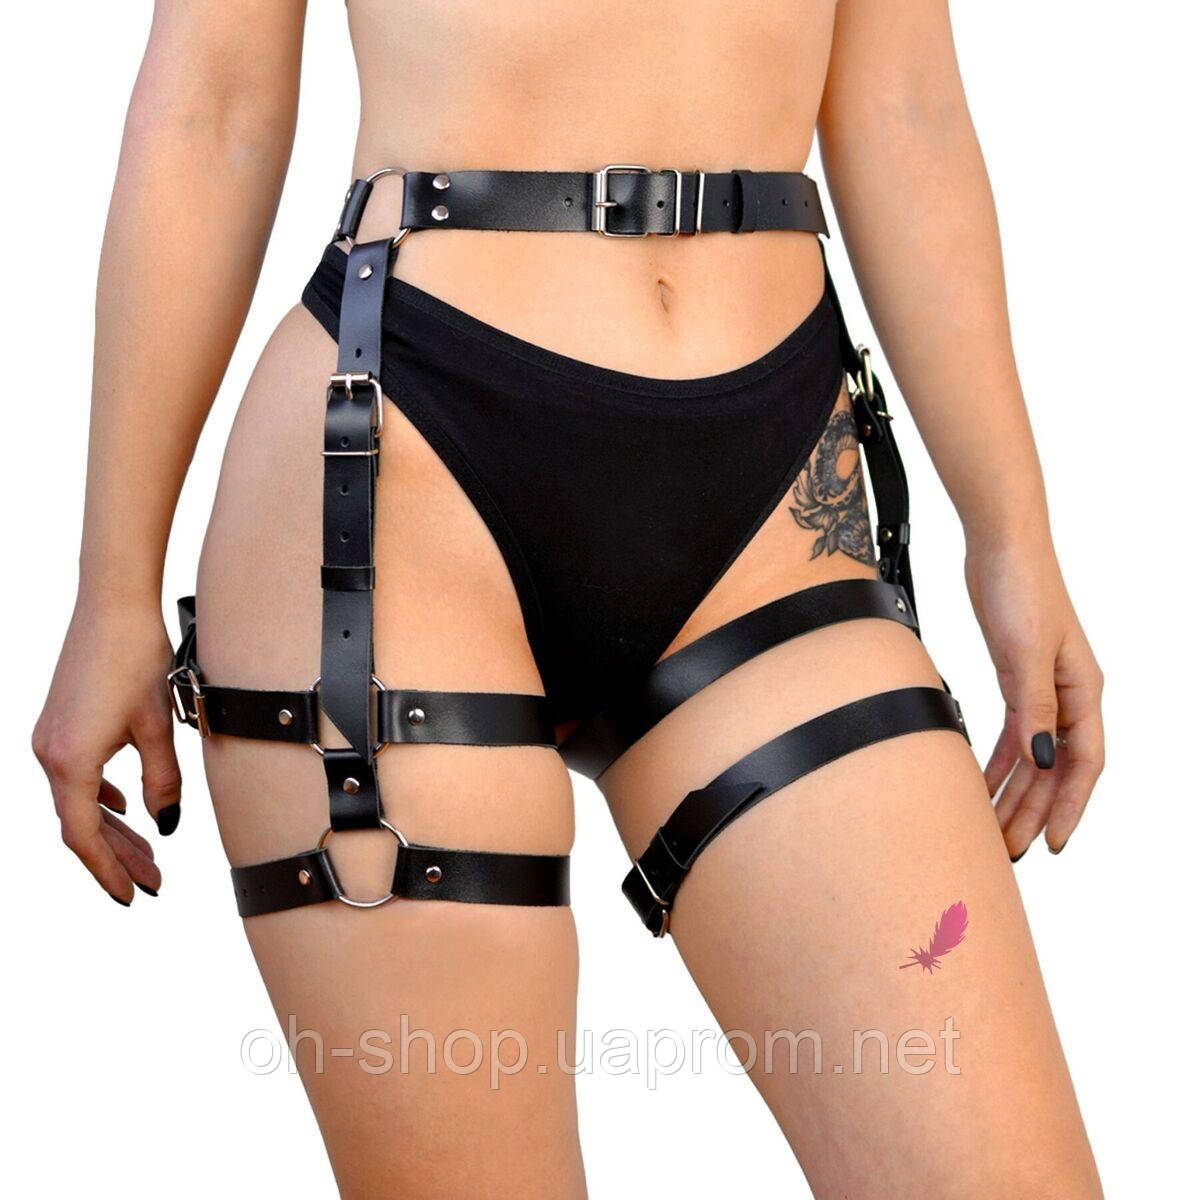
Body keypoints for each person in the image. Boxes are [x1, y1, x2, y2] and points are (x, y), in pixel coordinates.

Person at [32, 1, 1105, 1196]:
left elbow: (908, 106)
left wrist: (1013, 536)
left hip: (778, 504)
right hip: (401, 476)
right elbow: (213, 100)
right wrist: (113, 590)